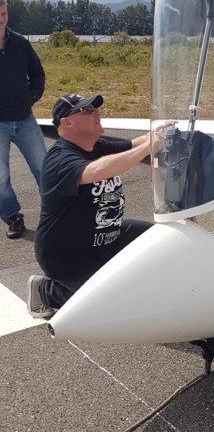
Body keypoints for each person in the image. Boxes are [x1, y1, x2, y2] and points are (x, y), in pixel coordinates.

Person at [27, 93, 167, 318]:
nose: (97, 112)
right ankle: (48, 290)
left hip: (104, 236)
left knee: (160, 239)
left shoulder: (96, 145)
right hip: (70, 256)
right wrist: (147, 148)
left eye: (95, 108)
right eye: (87, 110)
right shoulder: (59, 159)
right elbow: (97, 171)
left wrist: (161, 133)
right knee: (116, 309)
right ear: (67, 122)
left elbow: (134, 143)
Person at [0, 0, 47, 239]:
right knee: (0, 178)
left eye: (4, 15)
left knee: (44, 169)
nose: (1, 20)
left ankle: (56, 215)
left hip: (25, 119)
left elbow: (37, 73)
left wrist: (31, 97)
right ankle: (13, 218)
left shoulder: (19, 42)